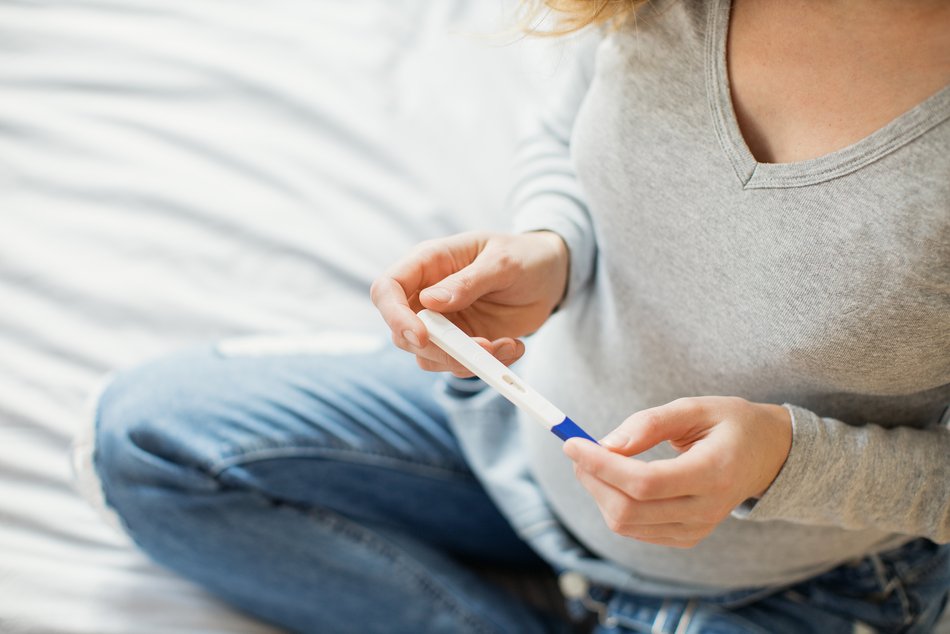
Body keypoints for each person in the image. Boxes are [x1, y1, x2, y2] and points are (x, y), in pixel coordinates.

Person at [89, 0, 950, 632]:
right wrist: (551, 248)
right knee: (148, 444)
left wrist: (788, 461)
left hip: (790, 587)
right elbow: (566, 128)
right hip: (519, 447)